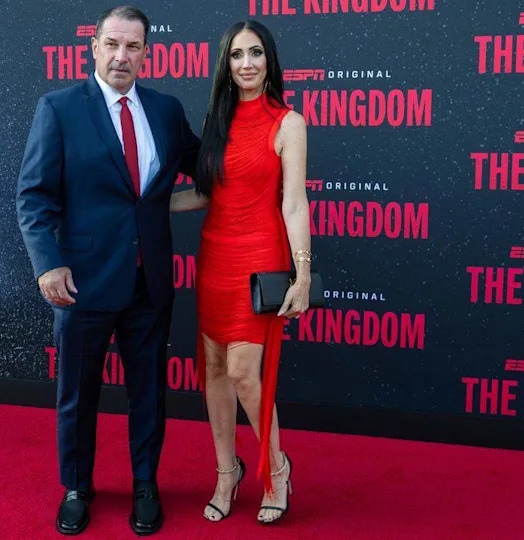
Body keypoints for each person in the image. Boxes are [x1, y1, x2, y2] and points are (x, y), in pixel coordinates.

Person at [16, 6, 199, 535]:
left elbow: (206, 162)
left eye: (133, 46)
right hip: (82, 283)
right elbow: (32, 197)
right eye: (113, 45)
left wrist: (263, 135)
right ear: (93, 47)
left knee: (149, 393)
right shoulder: (59, 108)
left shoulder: (165, 110)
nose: (122, 56)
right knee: (77, 393)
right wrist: (46, 266)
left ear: (146, 52)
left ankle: (146, 483)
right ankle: (77, 487)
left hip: (150, 282)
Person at [169, 20, 311, 524]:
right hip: (215, 259)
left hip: (261, 260)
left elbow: (294, 204)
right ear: (225, 66)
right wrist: (144, 204)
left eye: (255, 53)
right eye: (236, 55)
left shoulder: (288, 122)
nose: (246, 63)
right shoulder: (218, 122)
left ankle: (276, 469)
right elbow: (208, 193)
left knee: (246, 375)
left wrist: (303, 275)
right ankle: (226, 472)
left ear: (269, 60)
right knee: (212, 373)